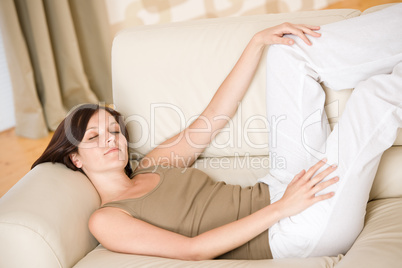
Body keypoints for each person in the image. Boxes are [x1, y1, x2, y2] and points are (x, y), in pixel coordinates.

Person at [32, 4, 402, 261]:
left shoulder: (153, 164)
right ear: (75, 157)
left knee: (287, 52)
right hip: (292, 232)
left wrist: (257, 42)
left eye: (113, 129)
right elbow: (194, 251)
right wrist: (283, 208)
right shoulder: (106, 219)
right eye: (95, 137)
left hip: (283, 186)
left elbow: (215, 115)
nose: (111, 139)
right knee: (373, 98)